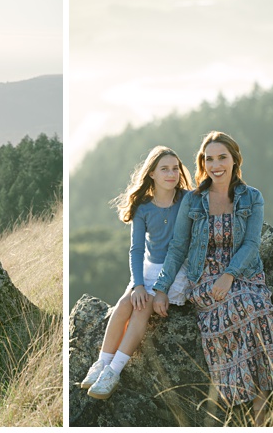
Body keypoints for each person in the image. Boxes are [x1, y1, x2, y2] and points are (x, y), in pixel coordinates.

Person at [152, 131, 273, 426]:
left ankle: (264, 398)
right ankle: (254, 399)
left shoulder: (252, 197)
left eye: (222, 158)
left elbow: (252, 244)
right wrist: (161, 289)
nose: (216, 165)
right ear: (202, 163)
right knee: (233, 307)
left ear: (234, 160)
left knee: (256, 306)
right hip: (204, 276)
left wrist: (229, 275)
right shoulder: (193, 201)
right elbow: (179, 247)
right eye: (209, 159)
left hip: (243, 273)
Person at [81, 146, 194, 399]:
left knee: (143, 307)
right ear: (152, 173)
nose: (171, 174)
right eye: (164, 169)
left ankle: (114, 372)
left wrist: (157, 290)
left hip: (176, 270)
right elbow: (136, 250)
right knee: (126, 303)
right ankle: (102, 363)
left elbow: (179, 247)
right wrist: (139, 285)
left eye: (175, 168)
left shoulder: (187, 200)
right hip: (148, 268)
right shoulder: (143, 207)